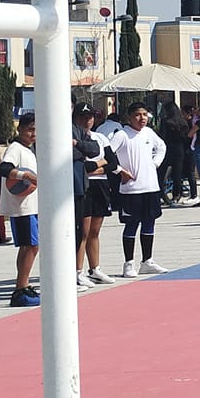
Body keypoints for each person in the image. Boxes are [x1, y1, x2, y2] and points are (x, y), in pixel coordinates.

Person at [109, 102, 168, 277]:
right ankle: (128, 264)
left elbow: (162, 147)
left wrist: (155, 163)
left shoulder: (149, 133)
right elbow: (108, 154)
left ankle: (147, 260)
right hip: (131, 190)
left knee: (149, 222)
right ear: (129, 117)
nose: (141, 118)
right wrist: (120, 171)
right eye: (137, 115)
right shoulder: (122, 135)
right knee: (131, 224)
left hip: (150, 187)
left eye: (144, 114)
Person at [0, 111, 42, 307]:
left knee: (31, 246)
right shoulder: (15, 148)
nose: (33, 134)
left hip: (31, 206)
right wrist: (25, 176)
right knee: (30, 246)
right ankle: (20, 288)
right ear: (20, 129)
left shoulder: (29, 150)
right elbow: (4, 169)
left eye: (36, 130)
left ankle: (23, 284)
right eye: (30, 129)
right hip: (21, 207)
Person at [73, 105, 114, 286]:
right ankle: (77, 270)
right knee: (83, 231)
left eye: (90, 116)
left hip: (100, 185)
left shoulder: (100, 137)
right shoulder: (73, 136)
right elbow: (84, 165)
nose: (87, 120)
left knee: (95, 231)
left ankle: (95, 268)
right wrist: (96, 164)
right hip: (83, 185)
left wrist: (97, 166)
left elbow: (112, 162)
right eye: (83, 116)